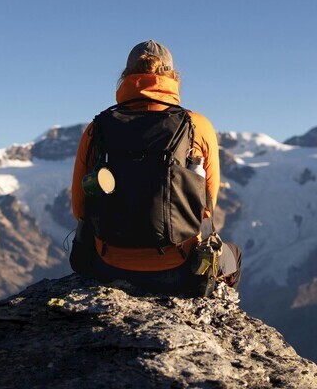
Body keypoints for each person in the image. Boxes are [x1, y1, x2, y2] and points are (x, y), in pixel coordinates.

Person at [69, 40, 241, 295]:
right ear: (173, 77)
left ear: (125, 76)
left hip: (107, 267)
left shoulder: (98, 128)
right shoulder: (196, 126)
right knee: (232, 255)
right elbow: (206, 206)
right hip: (178, 270)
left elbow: (79, 207)